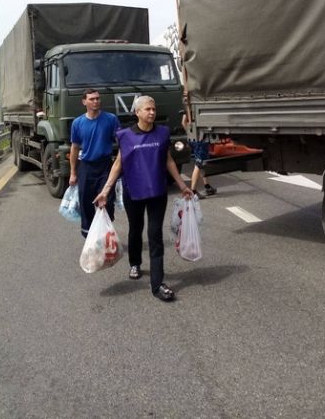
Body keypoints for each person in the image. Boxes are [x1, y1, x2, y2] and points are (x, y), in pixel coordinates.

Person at [95, 96, 193, 302]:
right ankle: (135, 263)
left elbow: (168, 160)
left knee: (155, 234)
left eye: (153, 109)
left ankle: (157, 284)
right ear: (137, 113)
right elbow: (118, 164)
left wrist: (183, 185)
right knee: (135, 229)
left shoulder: (163, 133)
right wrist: (105, 190)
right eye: (147, 109)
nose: (152, 112)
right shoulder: (125, 136)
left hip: (157, 192)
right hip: (134, 193)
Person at [69, 89, 120, 239]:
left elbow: (121, 141)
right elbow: (75, 147)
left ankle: (105, 234)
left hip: (105, 166)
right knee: (86, 201)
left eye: (97, 98)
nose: (96, 101)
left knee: (107, 201)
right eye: (92, 99)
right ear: (84, 102)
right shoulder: (77, 123)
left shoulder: (111, 119)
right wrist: (73, 172)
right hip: (86, 166)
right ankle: (89, 236)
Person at [182, 114, 217, 199]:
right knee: (199, 163)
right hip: (200, 139)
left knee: (202, 163)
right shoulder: (195, 110)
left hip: (194, 138)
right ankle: (193, 191)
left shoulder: (189, 109)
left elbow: (183, 122)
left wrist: (189, 133)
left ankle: (207, 187)